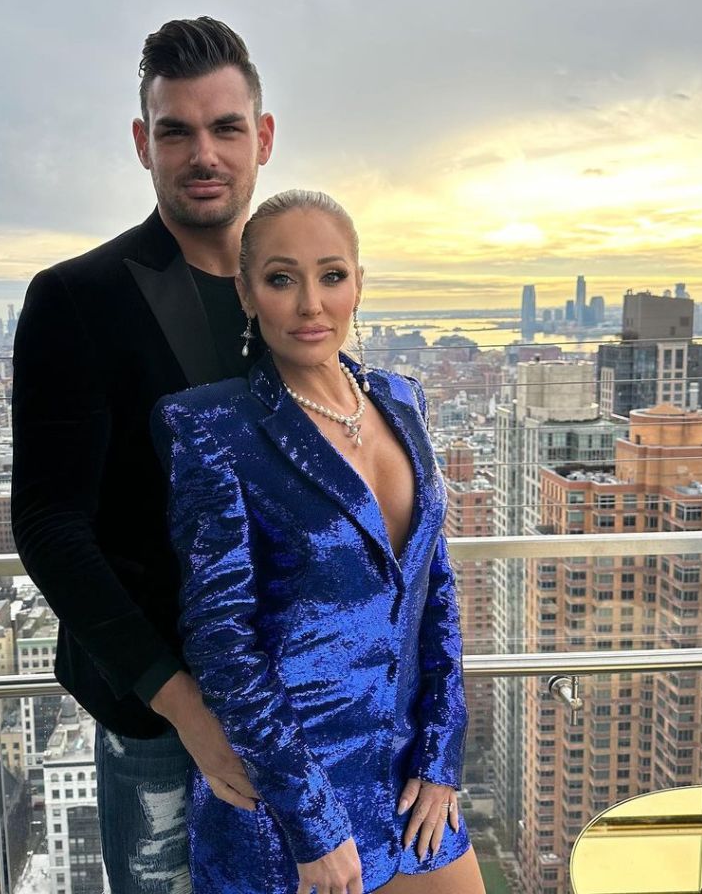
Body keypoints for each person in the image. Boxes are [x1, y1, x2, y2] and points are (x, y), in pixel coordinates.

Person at [151, 191, 486, 894]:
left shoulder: (403, 399)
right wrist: (313, 824)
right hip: (288, 804)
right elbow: (221, 643)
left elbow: (436, 589)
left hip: (411, 786)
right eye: (281, 279)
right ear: (246, 293)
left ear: (359, 283)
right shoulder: (213, 427)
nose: (310, 304)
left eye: (331, 275)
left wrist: (440, 757)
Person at [11, 16, 275, 893]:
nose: (204, 152)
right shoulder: (76, 298)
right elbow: (49, 526)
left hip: (294, 701)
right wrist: (186, 708)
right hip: (161, 724)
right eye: (177, 130)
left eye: (226, 127)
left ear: (262, 138)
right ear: (143, 143)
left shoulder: (295, 293)